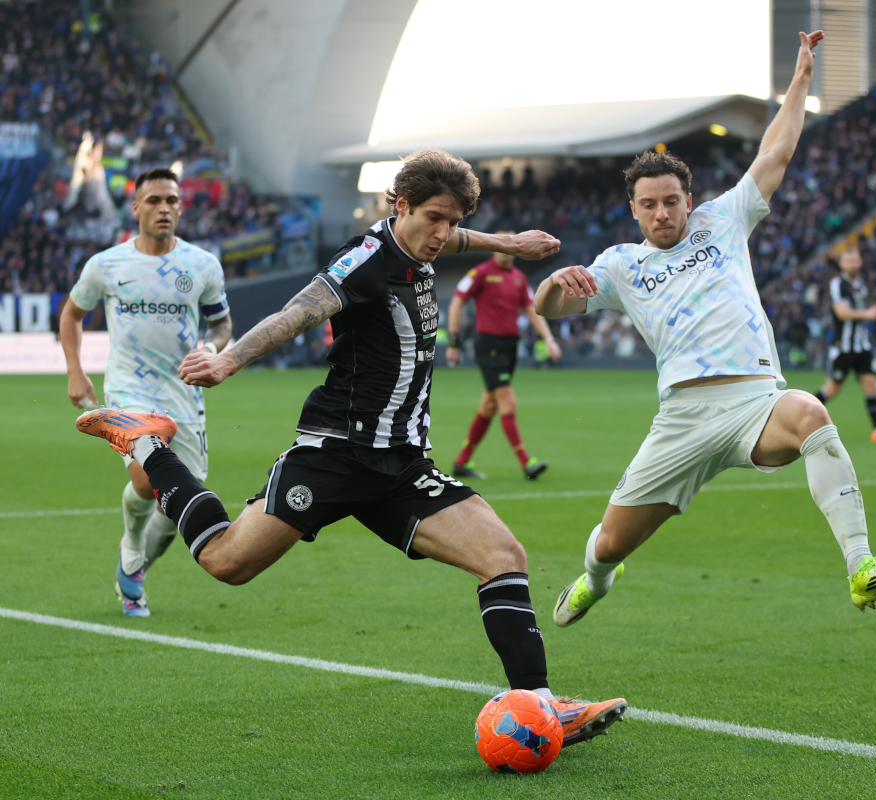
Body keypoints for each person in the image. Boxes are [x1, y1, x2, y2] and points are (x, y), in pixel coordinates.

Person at [75, 150, 627, 743]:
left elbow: (455, 232)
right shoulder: (364, 259)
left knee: (504, 556)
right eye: (433, 218)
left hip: (402, 466)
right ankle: (150, 448)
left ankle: (542, 706)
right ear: (400, 205)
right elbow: (297, 312)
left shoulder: (427, 239)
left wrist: (506, 242)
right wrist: (230, 358)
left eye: (452, 220)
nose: (442, 234)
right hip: (335, 453)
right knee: (225, 561)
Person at [533, 31, 876, 627]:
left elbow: (776, 152)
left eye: (671, 201)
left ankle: (862, 569)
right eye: (649, 205)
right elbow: (547, 309)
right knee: (610, 544)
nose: (662, 213)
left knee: (813, 413)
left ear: (689, 199)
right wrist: (557, 283)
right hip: (682, 418)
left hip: (755, 401)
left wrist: (802, 80)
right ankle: (595, 581)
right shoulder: (619, 265)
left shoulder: (725, 220)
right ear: (633, 209)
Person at [60, 167, 232, 617]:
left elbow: (221, 323)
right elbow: (71, 315)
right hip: (128, 392)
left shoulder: (202, 265)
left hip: (183, 395)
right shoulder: (106, 264)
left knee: (178, 501)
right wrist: (75, 371)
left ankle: (132, 566)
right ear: (135, 208)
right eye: (153, 200)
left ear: (180, 207)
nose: (164, 208)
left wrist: (211, 349)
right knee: (148, 474)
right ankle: (132, 543)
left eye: (171, 200)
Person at [446, 232, 562, 480]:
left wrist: (549, 339)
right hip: (489, 346)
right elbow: (456, 303)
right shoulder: (480, 273)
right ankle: (526, 462)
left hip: (509, 348)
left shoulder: (520, 279)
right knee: (508, 401)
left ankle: (461, 462)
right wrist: (453, 342)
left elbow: (532, 310)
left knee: (489, 406)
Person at [812, 247, 876, 442]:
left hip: (862, 346)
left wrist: (874, 312)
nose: (852, 264)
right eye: (848, 260)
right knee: (832, 389)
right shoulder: (838, 284)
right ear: (842, 264)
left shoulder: (862, 285)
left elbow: (861, 311)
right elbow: (841, 313)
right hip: (843, 348)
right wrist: (868, 314)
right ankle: (801, 414)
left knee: (871, 385)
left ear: (860, 262)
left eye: (855, 260)